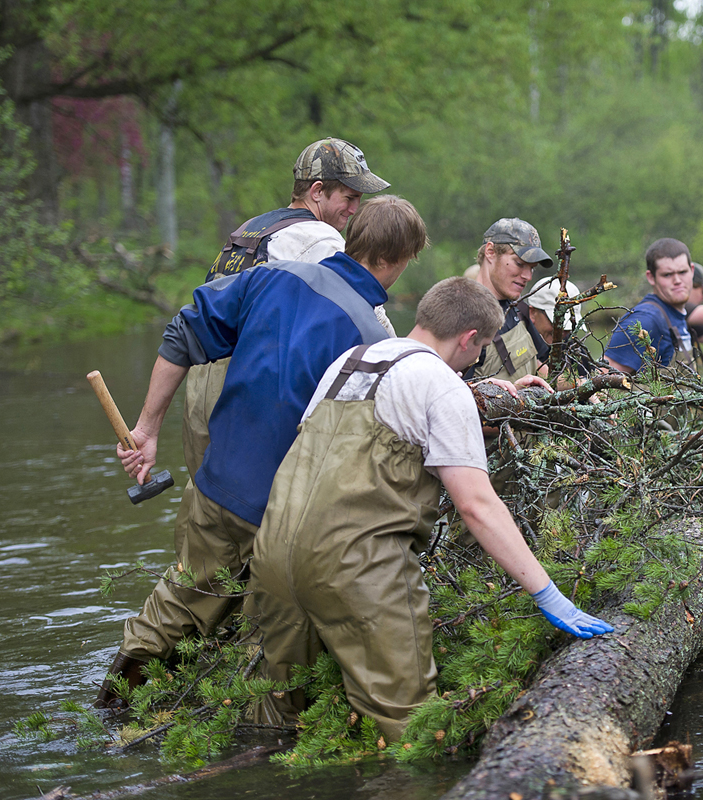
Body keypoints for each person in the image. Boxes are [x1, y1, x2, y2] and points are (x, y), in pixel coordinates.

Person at [94, 196, 428, 708]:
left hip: (214, 484)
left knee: (176, 601)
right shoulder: (369, 336)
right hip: (281, 519)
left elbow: (182, 332)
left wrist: (146, 428)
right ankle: (259, 752)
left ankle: (112, 707)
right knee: (273, 653)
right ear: (395, 260)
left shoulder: (269, 278)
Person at [248, 277, 613, 736]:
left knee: (275, 715)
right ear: (467, 339)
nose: (478, 359)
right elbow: (477, 505)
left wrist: (476, 394)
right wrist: (546, 592)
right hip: (356, 566)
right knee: (411, 730)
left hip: (273, 555)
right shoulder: (443, 387)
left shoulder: (352, 360)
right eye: (479, 349)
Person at [186, 137, 394, 480]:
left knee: (211, 507)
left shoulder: (254, 228)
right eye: (350, 197)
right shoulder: (320, 238)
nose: (355, 209)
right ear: (316, 191)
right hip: (241, 388)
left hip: (199, 388)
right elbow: (370, 316)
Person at [462, 218, 554, 382]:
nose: (528, 276)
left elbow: (540, 367)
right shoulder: (464, 316)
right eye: (519, 263)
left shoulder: (517, 308)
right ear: (490, 252)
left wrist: (584, 386)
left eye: (532, 268)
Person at [603, 238, 697, 375]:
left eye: (682, 272)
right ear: (651, 277)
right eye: (667, 275)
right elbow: (602, 381)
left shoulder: (674, 312)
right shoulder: (645, 319)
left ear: (692, 270)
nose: (677, 281)